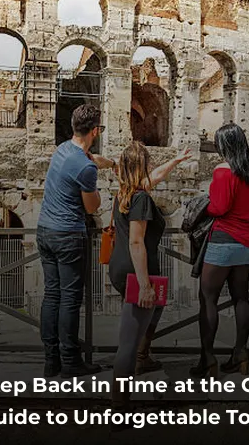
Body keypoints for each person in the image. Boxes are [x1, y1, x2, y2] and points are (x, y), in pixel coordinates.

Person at [109, 141, 192, 417]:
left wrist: (176, 161)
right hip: (135, 271)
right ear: (142, 166)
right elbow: (136, 242)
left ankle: (141, 361)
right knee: (128, 344)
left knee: (150, 315)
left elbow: (153, 179)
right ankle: (119, 410)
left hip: (122, 268)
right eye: (149, 162)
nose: (153, 167)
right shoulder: (142, 199)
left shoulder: (126, 192)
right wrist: (144, 285)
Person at [37, 103, 116, 378]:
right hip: (68, 235)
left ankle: (51, 360)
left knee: (52, 295)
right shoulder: (85, 168)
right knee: (70, 299)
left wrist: (106, 163)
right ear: (95, 130)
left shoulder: (62, 150)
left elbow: (86, 161)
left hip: (44, 231)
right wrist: (98, 186)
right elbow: (92, 207)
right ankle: (71, 361)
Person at [190, 123, 249, 379]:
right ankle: (240, 353)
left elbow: (219, 208)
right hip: (247, 241)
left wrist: (203, 205)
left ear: (225, 146)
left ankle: (207, 359)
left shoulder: (224, 171)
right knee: (241, 298)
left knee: (208, 299)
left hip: (223, 239)